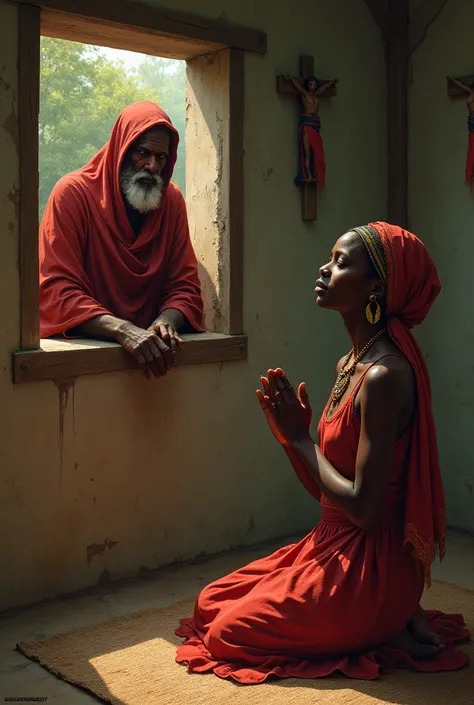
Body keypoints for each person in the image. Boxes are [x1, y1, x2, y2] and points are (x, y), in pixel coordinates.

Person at [175, 222, 469, 683]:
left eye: (341, 262)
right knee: (211, 602)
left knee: (228, 633)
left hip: (371, 567)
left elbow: (365, 511)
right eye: (330, 259)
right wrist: (290, 437)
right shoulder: (351, 362)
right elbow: (327, 495)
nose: (325, 268)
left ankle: (386, 619)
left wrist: (300, 440)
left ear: (376, 288)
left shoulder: (383, 376)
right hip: (332, 542)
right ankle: (388, 622)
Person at [39, 102, 203, 378]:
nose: (153, 167)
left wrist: (165, 322)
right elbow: (56, 292)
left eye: (162, 157)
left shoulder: (171, 201)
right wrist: (122, 330)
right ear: (121, 150)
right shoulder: (72, 195)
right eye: (143, 153)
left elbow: (185, 287)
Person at [283, 74, 338, 186]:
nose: (312, 86)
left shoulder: (316, 95)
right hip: (307, 125)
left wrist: (330, 83)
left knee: (316, 152)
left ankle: (316, 175)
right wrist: (291, 79)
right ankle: (307, 175)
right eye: (310, 84)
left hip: (315, 124)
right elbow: (298, 87)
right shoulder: (305, 94)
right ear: (307, 85)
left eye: (314, 84)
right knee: (307, 152)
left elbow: (323, 89)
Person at [448, 76, 474, 186]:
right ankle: (470, 175)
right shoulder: (470, 91)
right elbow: (461, 85)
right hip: (472, 121)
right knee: (471, 147)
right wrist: (452, 79)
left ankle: (470, 175)